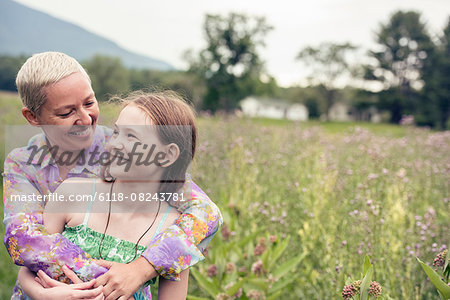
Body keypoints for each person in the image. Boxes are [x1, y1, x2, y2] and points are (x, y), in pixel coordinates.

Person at [3, 52, 222, 299]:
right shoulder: (23, 164)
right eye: (66, 113)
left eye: (89, 103)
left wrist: (140, 270)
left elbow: (205, 214)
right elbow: (24, 241)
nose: (85, 120)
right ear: (32, 117)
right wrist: (89, 286)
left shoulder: (120, 147)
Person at [17, 91, 196, 299]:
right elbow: (29, 267)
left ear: (167, 155)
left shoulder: (175, 232)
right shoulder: (71, 193)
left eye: (131, 136)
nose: (114, 144)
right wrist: (41, 294)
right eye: (117, 132)